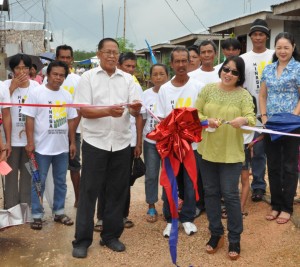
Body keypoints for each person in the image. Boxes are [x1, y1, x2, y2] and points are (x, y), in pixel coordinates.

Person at [72, 38, 141, 258]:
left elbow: (136, 111)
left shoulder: (129, 79)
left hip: (121, 143)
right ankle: (82, 240)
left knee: (117, 191)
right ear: (99, 54)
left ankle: (111, 236)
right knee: (89, 192)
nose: (112, 56)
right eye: (107, 52)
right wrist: (107, 112)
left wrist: (136, 109)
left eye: (115, 52)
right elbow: (84, 110)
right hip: (95, 143)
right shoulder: (87, 78)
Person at [195, 56, 256, 260]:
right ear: (221, 70)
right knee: (210, 193)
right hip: (207, 151)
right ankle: (216, 234)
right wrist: (206, 120)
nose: (229, 74)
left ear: (240, 76)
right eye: (226, 69)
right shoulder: (208, 89)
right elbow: (195, 113)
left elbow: (252, 117)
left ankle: (235, 239)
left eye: (234, 72)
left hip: (231, 154)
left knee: (230, 195)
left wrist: (244, 119)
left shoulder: (244, 96)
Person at [21, 60, 77, 230]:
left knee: (61, 181)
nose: (58, 78)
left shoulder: (66, 95)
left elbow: (71, 120)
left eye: (62, 75)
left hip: (61, 148)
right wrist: (30, 142)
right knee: (39, 181)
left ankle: (59, 211)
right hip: (41, 148)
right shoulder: (37, 93)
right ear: (47, 74)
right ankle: (37, 215)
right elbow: (29, 119)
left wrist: (72, 142)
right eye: (55, 74)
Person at [156, 46, 204, 237]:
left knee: (191, 182)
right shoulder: (165, 90)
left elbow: (201, 116)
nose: (182, 65)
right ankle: (170, 218)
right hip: (171, 146)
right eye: (178, 61)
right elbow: (161, 119)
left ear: (189, 62)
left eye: (185, 60)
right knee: (171, 181)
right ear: (172, 64)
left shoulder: (198, 87)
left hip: (192, 145)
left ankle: (187, 218)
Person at [94, 51, 143, 231]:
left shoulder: (134, 86)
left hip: (126, 142)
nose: (130, 70)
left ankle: (122, 215)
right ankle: (101, 218)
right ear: (119, 66)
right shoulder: (107, 84)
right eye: (127, 66)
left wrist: (138, 143)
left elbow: (139, 117)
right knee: (104, 180)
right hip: (104, 139)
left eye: (133, 67)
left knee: (123, 181)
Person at [259, 32, 300, 224]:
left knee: (290, 166)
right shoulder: (268, 69)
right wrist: (264, 117)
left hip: (291, 125)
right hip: (271, 124)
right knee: (273, 165)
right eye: (279, 47)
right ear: (274, 49)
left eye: (286, 47)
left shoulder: (298, 68)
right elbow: (262, 95)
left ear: (293, 48)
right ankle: (275, 205)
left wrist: (293, 117)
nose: (282, 51)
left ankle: (286, 207)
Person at [240, 18, 274, 202]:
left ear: (267, 37)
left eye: (261, 34)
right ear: (251, 36)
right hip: (253, 111)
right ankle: (259, 186)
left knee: (278, 152)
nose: (258, 37)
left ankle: (281, 187)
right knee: (258, 150)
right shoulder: (244, 59)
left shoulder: (275, 55)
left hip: (276, 110)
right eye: (255, 34)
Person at [3, 54, 39, 209]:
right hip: (9, 139)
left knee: (28, 173)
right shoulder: (4, 85)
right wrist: (11, 88)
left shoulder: (36, 87)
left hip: (29, 140)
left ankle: (26, 207)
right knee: (9, 174)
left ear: (30, 70)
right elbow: (3, 110)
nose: (22, 71)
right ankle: (11, 207)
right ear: (12, 70)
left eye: (25, 67)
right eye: (18, 68)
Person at [142, 63, 169, 223]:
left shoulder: (172, 92)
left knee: (167, 174)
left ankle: (167, 204)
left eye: (162, 74)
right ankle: (151, 205)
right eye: (155, 74)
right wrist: (139, 140)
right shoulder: (146, 94)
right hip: (150, 141)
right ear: (150, 77)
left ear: (167, 75)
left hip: (167, 142)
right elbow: (142, 118)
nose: (158, 78)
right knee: (151, 175)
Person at [55, 44, 81, 208]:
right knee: (54, 169)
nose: (65, 60)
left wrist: (71, 132)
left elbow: (79, 110)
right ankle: (56, 202)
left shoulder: (78, 80)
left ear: (72, 59)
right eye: (61, 57)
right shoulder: (49, 77)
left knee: (74, 166)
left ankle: (79, 199)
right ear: (57, 58)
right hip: (53, 132)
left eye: (67, 57)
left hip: (73, 131)